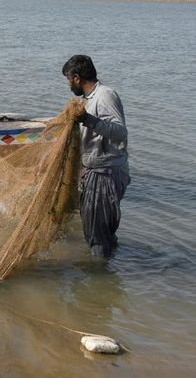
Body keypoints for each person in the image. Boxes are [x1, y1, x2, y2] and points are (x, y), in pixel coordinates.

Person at [63, 54, 130, 258]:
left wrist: (88, 119)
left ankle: (99, 279)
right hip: (97, 171)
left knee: (96, 236)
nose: (69, 85)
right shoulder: (88, 99)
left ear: (76, 78)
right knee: (102, 232)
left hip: (105, 173)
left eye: (68, 79)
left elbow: (120, 132)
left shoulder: (105, 95)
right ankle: (111, 272)